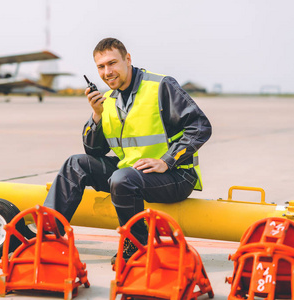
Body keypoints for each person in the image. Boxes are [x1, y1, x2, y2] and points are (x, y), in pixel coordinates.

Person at [44, 37, 212, 263]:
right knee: (76, 164)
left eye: (112, 63)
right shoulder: (108, 100)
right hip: (132, 171)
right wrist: (97, 115)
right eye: (101, 67)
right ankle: (47, 237)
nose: (107, 72)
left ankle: (137, 245)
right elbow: (94, 151)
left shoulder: (160, 86)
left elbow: (200, 126)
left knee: (122, 179)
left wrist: (167, 160)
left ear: (128, 59)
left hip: (176, 174)